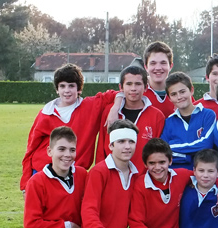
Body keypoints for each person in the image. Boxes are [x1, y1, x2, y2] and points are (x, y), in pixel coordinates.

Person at [20, 63, 119, 192]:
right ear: (57, 89)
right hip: (42, 172)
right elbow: (31, 149)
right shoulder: (46, 113)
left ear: (79, 89)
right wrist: (25, 185)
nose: (67, 90)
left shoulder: (90, 106)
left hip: (74, 176)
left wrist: (115, 109)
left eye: (71, 86)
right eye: (62, 86)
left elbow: (118, 93)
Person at [96, 65, 165, 173]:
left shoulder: (157, 116)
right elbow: (101, 149)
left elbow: (158, 153)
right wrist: (100, 174)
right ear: (121, 87)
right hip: (113, 178)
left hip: (143, 180)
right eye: (129, 84)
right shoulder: (110, 112)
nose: (133, 88)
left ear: (146, 87)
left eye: (138, 84)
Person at [161, 72, 217, 170]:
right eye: (174, 94)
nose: (179, 97)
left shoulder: (208, 115)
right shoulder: (169, 122)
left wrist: (173, 147)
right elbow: (162, 152)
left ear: (191, 90)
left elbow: (206, 145)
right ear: (169, 98)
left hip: (203, 178)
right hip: (177, 177)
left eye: (182, 92)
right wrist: (187, 157)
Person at [142, 41, 177, 117]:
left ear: (170, 66)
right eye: (153, 63)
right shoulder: (138, 90)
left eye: (163, 63)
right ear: (146, 67)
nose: (158, 68)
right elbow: (114, 95)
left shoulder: (181, 91)